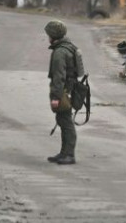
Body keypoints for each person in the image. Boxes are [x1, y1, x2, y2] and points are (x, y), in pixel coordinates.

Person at [45, 20, 78, 165]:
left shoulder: (60, 52)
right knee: (63, 120)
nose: (47, 37)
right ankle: (64, 153)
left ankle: (69, 154)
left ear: (53, 35)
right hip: (69, 89)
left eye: (49, 34)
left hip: (63, 91)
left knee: (66, 122)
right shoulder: (68, 47)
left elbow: (59, 77)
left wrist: (56, 97)